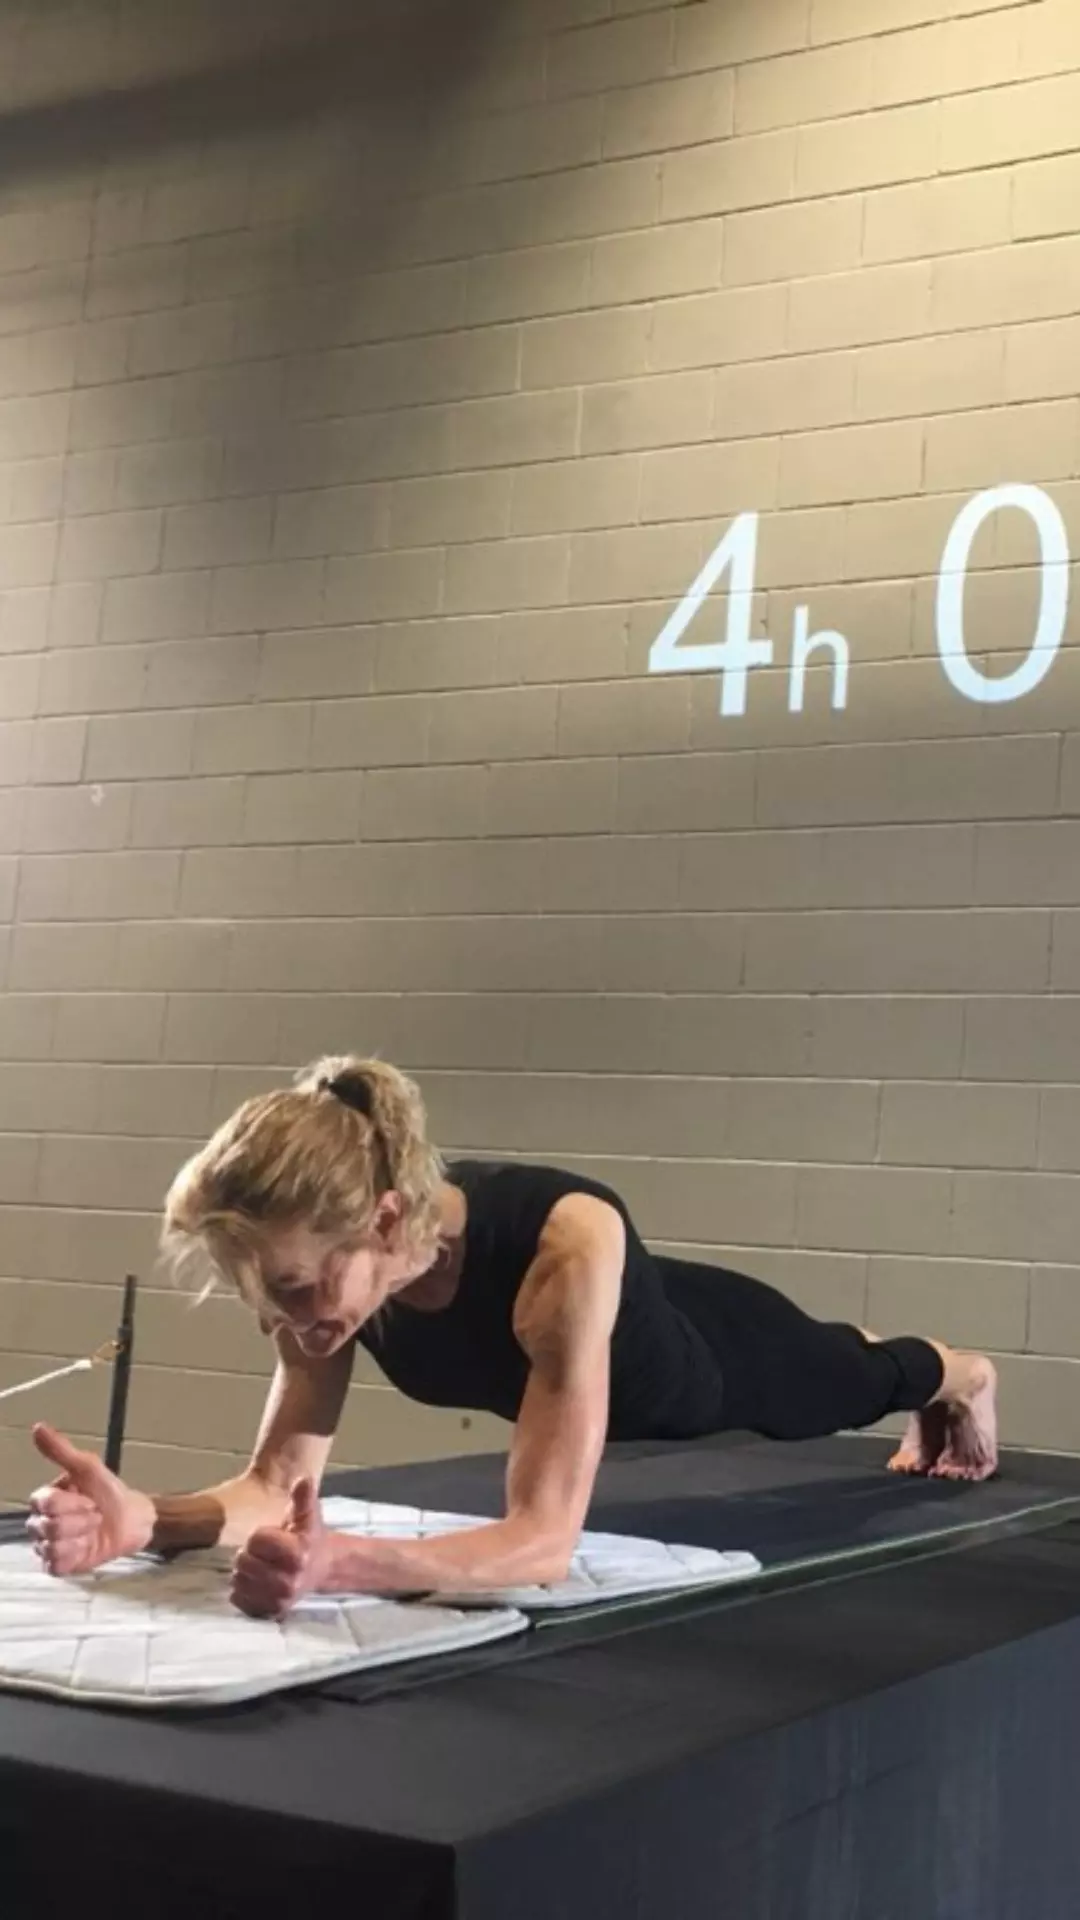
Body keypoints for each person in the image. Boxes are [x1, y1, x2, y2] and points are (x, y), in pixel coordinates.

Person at [27, 1055, 998, 1619]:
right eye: (262, 1301)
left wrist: (345, 1564)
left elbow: (539, 1544)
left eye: (290, 1289)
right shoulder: (329, 1290)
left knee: (843, 1375)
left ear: (387, 1221)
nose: (285, 1323)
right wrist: (151, 1519)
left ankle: (965, 1373)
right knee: (835, 1356)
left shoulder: (564, 1242)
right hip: (626, 1330)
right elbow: (273, 1487)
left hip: (702, 1364)